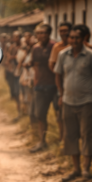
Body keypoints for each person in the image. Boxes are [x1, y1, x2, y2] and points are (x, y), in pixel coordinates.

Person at [55, 25, 92, 182]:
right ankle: (75, 169)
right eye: (72, 37)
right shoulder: (63, 55)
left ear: (83, 39)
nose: (74, 41)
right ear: (69, 39)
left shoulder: (91, 55)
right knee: (70, 135)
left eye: (77, 38)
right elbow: (58, 75)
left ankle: (86, 170)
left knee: (87, 134)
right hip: (68, 101)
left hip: (87, 101)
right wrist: (61, 95)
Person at [28, 24, 58, 153]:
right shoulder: (35, 48)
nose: (41, 35)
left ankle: (61, 141)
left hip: (54, 84)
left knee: (59, 113)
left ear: (49, 34)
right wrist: (35, 81)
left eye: (43, 33)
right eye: (38, 33)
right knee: (39, 114)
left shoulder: (55, 47)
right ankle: (42, 140)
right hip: (39, 85)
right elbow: (35, 65)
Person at [3, 31, 21, 112]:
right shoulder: (12, 47)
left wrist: (13, 57)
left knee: (19, 91)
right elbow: (8, 56)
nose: (15, 39)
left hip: (20, 71)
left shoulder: (22, 47)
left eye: (17, 37)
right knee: (12, 86)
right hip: (12, 70)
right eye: (14, 37)